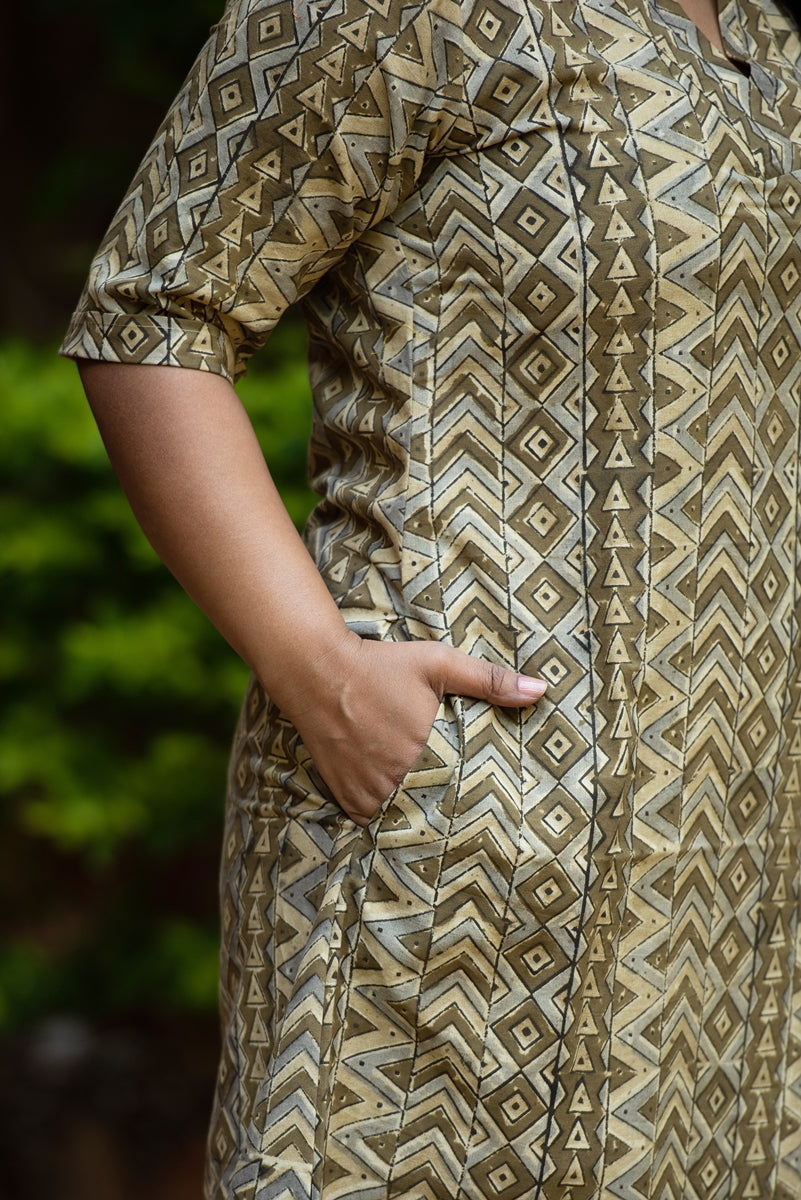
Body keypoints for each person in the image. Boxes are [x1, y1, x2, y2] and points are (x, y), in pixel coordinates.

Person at [61, 0, 801, 1195]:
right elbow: (155, 312)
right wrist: (321, 670)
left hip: (723, 900)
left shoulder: (758, 32)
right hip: (456, 868)